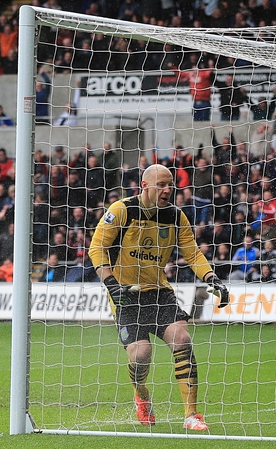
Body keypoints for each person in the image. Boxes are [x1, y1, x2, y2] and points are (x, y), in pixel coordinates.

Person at [88, 163, 229, 431]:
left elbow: (193, 254)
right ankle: (141, 394)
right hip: (126, 294)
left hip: (159, 292)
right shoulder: (122, 210)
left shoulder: (176, 217)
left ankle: (191, 415)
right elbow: (98, 247)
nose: (167, 190)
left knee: (182, 338)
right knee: (141, 355)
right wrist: (111, 284)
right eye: (161, 184)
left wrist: (212, 278)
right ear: (145, 185)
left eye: (170, 185)